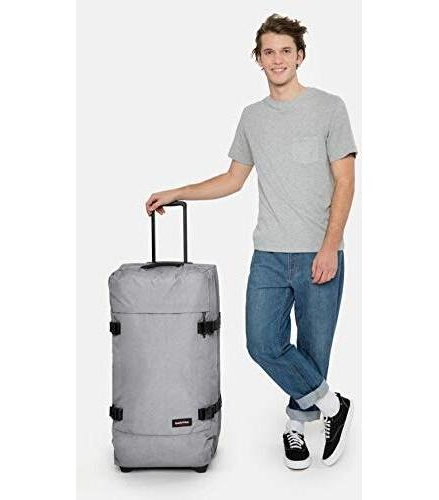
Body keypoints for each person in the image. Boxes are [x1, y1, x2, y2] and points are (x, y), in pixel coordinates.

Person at [145, 13, 357, 470]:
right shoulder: (252, 117)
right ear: (258, 59)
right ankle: (333, 405)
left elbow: (345, 182)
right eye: (268, 52)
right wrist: (178, 191)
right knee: (262, 343)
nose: (277, 59)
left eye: (286, 51)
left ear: (300, 56)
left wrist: (330, 246)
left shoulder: (329, 108)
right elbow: (232, 179)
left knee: (314, 348)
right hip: (269, 255)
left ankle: (297, 424)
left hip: (319, 250)